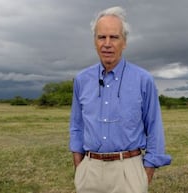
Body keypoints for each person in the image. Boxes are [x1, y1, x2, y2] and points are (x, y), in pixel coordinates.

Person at [69, 6, 171, 193]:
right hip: (89, 171)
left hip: (129, 171)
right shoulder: (82, 80)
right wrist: (80, 166)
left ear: (124, 42)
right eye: (101, 37)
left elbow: (154, 128)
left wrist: (145, 173)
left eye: (114, 37)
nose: (107, 43)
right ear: (95, 41)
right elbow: (77, 125)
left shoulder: (143, 80)